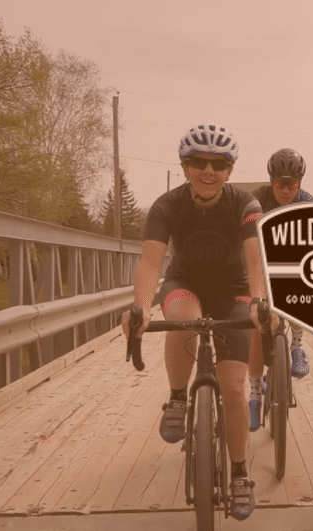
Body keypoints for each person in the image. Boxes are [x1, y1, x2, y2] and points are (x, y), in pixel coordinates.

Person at [121, 123, 270, 520]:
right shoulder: (166, 206)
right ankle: (176, 398)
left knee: (234, 389)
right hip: (184, 284)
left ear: (230, 170)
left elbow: (256, 259)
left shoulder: (245, 204)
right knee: (183, 321)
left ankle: (240, 474)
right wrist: (140, 308)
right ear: (184, 167)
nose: (209, 170)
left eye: (219, 163)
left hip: (234, 291)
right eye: (199, 162)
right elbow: (151, 261)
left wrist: (258, 300)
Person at [247, 148, 313, 431]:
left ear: (299, 183)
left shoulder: (307, 202)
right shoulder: (254, 201)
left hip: (291, 264)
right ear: (271, 180)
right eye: (280, 183)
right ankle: (253, 393)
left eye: (293, 184)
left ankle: (297, 343)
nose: (286, 190)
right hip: (259, 265)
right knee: (255, 327)